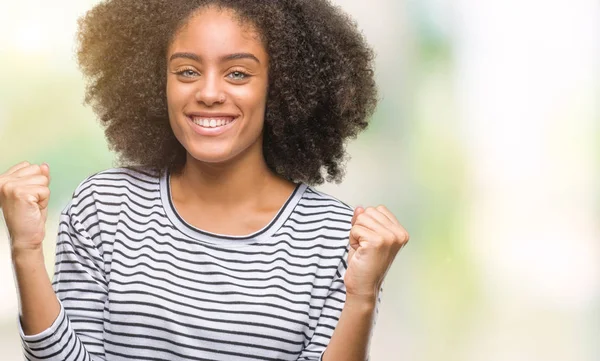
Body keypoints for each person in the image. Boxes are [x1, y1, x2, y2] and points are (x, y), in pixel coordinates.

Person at [0, 0, 409, 360]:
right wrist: (25, 250)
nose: (209, 92)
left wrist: (361, 297)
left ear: (281, 87)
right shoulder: (104, 206)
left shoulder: (334, 237)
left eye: (237, 74)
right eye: (188, 71)